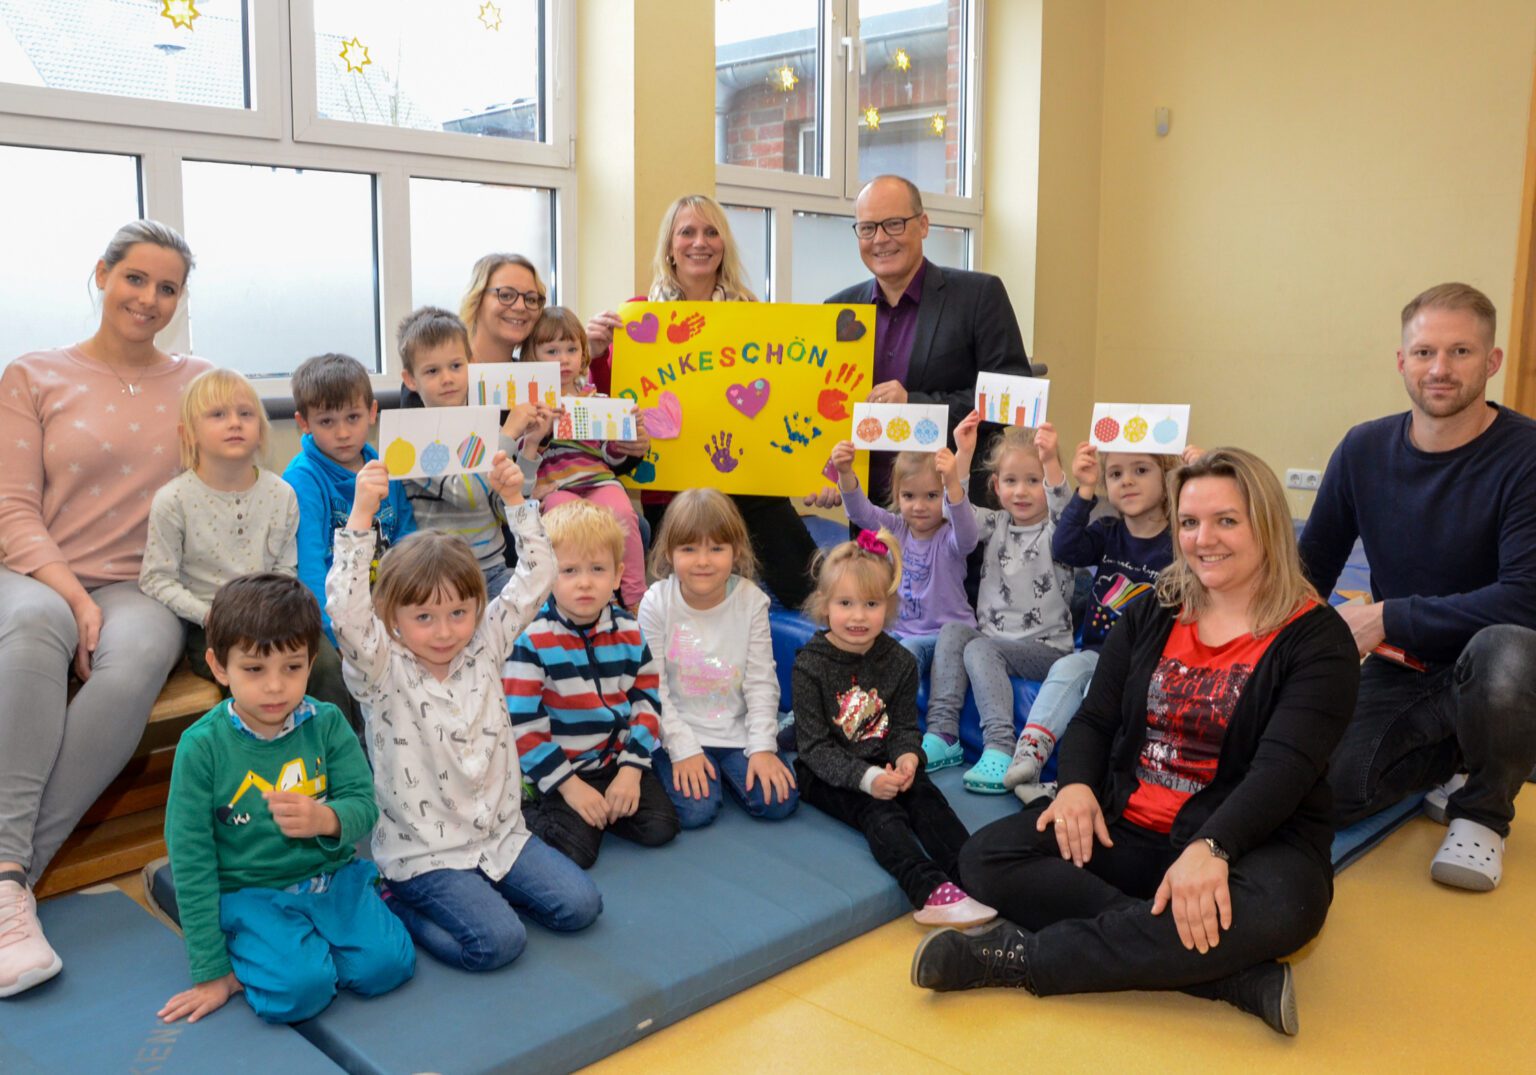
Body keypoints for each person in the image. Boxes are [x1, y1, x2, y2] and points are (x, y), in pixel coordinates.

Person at [912, 449, 1359, 1036]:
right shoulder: (1152, 610)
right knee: (985, 857)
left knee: (1286, 909)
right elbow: (1096, 720)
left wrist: (1215, 846)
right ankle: (1220, 973)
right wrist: (1073, 788)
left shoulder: (1317, 637)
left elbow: (1285, 768)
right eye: (1191, 522)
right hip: (1129, 825)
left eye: (1227, 520)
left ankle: (1018, 959)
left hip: (1253, 841)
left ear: (1267, 525)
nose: (1205, 539)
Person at [0, 220, 211, 998]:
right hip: (33, 569)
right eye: (136, 279)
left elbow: (233, 481)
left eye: (167, 288)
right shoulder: (33, 374)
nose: (149, 299)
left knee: (139, 659)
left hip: (140, 582)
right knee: (37, 627)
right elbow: (11, 507)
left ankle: (9, 874)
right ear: (102, 274)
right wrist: (69, 592)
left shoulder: (201, 381)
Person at [1298, 282, 1536, 892]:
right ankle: (1453, 752)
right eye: (1425, 351)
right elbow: (1308, 571)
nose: (1440, 369)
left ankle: (1483, 810)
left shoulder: (1525, 454)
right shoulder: (1363, 448)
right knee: (1328, 789)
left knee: (1506, 652)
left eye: (1460, 352)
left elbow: (1525, 597)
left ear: (1492, 362)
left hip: (1501, 665)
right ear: (1402, 360)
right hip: (1404, 667)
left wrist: (1385, 617)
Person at [327, 454, 601, 971]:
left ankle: (485, 895)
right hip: (424, 855)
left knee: (581, 907)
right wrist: (362, 513)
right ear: (393, 617)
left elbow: (538, 574)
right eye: (424, 617)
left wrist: (516, 500)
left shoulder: (485, 643)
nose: (445, 630)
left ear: (477, 607)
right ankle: (396, 900)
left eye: (458, 612)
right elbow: (345, 609)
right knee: (498, 944)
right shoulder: (380, 667)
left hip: (499, 839)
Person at [158, 574, 415, 1024]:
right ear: (220, 667)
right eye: (254, 669)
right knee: (299, 994)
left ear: (312, 662)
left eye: (292, 668)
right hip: (252, 893)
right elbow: (192, 862)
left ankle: (311, 939)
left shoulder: (329, 723)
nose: (275, 687)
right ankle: (263, 951)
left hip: (329, 881)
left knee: (389, 968)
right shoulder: (201, 748)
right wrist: (212, 972)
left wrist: (327, 819)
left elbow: (363, 804)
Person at [584, 194, 822, 609]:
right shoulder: (638, 317)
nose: (700, 242)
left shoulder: (752, 314)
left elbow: (785, 397)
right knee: (675, 611)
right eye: (687, 232)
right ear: (670, 247)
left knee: (813, 593)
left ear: (724, 244)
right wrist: (592, 351)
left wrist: (817, 466)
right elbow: (613, 401)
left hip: (751, 483)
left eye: (711, 232)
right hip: (673, 490)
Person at [792, 528, 996, 929]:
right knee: (881, 813)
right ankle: (930, 891)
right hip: (827, 771)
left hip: (883, 759)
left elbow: (904, 727)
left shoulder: (899, 661)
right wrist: (867, 779)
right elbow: (814, 747)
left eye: (870, 604)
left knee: (925, 796)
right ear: (825, 605)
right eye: (845, 603)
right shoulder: (810, 664)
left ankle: (975, 872)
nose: (857, 616)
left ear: (887, 607)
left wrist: (906, 758)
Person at [138, 367, 352, 717]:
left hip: (278, 620)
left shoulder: (281, 494)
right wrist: (207, 615)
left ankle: (332, 758)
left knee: (326, 669)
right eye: (218, 414)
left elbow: (285, 568)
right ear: (188, 433)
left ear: (260, 429)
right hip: (212, 626)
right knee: (254, 684)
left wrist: (277, 615)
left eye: (245, 414)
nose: (234, 423)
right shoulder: (173, 500)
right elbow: (156, 579)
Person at [824, 175, 1032, 507]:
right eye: (867, 228)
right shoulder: (838, 311)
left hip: (958, 509)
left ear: (923, 225)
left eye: (894, 224)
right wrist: (826, 474)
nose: (880, 239)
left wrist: (917, 404)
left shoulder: (979, 295)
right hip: (872, 510)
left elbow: (1014, 392)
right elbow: (827, 404)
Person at [506, 500, 680, 868]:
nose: (585, 582)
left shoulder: (630, 631)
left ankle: (604, 810)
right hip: (561, 768)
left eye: (597, 569)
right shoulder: (532, 640)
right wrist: (571, 787)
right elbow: (523, 727)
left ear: (617, 576)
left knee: (662, 827)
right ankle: (531, 809)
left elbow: (647, 703)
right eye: (569, 570)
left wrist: (631, 771)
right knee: (576, 854)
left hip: (614, 760)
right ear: (548, 576)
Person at [1002, 442, 1180, 800]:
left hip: (1144, 663)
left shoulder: (1177, 542)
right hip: (1097, 650)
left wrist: (1191, 481)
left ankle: (1074, 784)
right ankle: (1030, 752)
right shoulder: (1109, 531)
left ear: (1168, 476)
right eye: (1115, 474)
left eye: (1141, 470)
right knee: (1067, 670)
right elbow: (1065, 547)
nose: (1127, 481)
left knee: (1098, 699)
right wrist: (1084, 491)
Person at [922, 414, 1074, 793]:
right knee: (954, 632)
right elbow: (955, 513)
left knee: (981, 648)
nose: (1021, 491)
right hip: (992, 638)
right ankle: (943, 733)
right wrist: (964, 453)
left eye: (1033, 481)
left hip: (1045, 648)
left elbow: (1064, 505)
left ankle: (1000, 748)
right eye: (1010, 481)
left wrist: (1052, 460)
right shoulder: (996, 523)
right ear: (995, 485)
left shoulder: (1060, 530)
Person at [638, 489, 798, 829]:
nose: (703, 561)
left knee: (779, 801)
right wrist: (683, 749)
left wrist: (762, 747)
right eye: (689, 549)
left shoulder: (751, 601)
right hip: (677, 728)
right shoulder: (656, 602)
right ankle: (693, 769)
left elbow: (760, 681)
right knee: (697, 810)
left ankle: (723, 769)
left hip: (735, 730)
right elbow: (653, 688)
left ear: (735, 551)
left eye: (716, 548)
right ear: (669, 552)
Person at [396, 305, 555, 597]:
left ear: (471, 364)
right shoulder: (413, 436)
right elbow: (468, 493)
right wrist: (507, 434)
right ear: (410, 379)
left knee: (541, 603)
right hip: (439, 577)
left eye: (456, 366)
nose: (447, 378)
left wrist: (530, 449)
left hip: (493, 569)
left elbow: (505, 509)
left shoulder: (480, 427)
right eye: (432, 370)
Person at [282, 352, 415, 645]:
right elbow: (310, 568)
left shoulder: (385, 465)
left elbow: (408, 540)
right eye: (327, 421)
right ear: (304, 422)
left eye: (352, 417)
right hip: (337, 619)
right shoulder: (302, 479)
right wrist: (335, 636)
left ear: (372, 412)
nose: (343, 433)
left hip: (392, 611)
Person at [524, 307, 650, 609]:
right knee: (563, 526)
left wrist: (622, 444)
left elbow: (608, 455)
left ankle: (635, 600)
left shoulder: (597, 400)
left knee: (623, 514)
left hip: (597, 479)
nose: (563, 358)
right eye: (551, 350)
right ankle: (566, 600)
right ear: (533, 357)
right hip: (555, 488)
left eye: (571, 349)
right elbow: (523, 455)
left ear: (583, 355)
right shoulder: (529, 405)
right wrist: (540, 432)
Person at [829, 438, 978, 676]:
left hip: (942, 636)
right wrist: (845, 473)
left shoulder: (950, 538)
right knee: (849, 649)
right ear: (897, 497)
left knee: (903, 655)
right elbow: (859, 512)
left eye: (931, 496)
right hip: (899, 632)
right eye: (909, 496)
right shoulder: (896, 529)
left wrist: (953, 485)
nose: (919, 506)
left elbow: (969, 535)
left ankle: (878, 709)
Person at [399, 253, 549, 409]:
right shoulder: (430, 379)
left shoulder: (533, 380)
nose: (520, 307)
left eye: (531, 299)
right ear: (476, 299)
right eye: (506, 295)